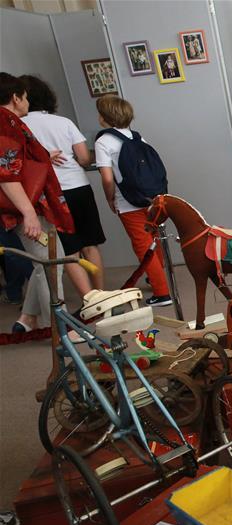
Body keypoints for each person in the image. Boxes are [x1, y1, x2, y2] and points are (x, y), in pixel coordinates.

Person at [0, 73, 75, 333]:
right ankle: (60, 328)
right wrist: (29, 213)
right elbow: (7, 175)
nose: (28, 101)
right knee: (51, 263)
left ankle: (27, 318)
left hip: (24, 206)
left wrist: (43, 157)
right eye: (25, 96)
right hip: (24, 207)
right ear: (15, 97)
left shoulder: (9, 122)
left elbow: (16, 163)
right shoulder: (5, 123)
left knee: (47, 261)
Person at [21, 75, 105, 290]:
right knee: (90, 244)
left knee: (68, 249)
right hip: (79, 186)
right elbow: (85, 158)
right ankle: (103, 296)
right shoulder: (64, 122)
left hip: (50, 193)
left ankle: (89, 301)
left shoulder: (19, 126)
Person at [94, 96, 171, 306]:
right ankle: (159, 277)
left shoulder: (103, 142)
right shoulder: (137, 137)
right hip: (153, 199)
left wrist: (110, 198)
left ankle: (162, 292)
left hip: (129, 203)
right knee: (155, 241)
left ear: (104, 118)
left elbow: (108, 178)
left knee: (142, 246)